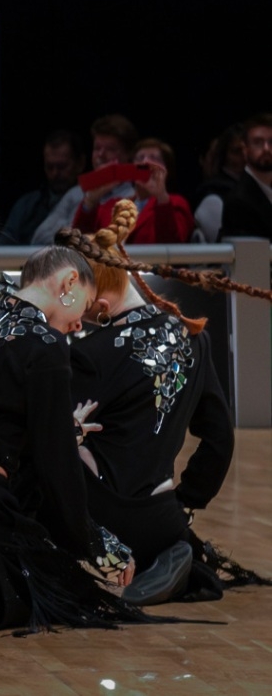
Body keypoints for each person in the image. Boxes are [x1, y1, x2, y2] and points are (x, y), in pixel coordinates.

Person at [0, 246, 143, 633]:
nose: (78, 325)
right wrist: (95, 542)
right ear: (68, 282)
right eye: (83, 308)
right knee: (56, 591)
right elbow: (56, 466)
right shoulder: (46, 345)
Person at [63, 202, 234, 604]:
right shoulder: (194, 338)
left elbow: (54, 440)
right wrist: (186, 502)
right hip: (163, 518)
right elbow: (220, 439)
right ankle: (172, 553)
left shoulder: (90, 353)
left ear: (99, 302)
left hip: (103, 520)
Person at [41, 113, 140, 246]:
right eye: (97, 148)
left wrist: (65, 231)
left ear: (128, 155)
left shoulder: (136, 195)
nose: (101, 155)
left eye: (110, 149)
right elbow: (39, 238)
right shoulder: (76, 193)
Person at [74, 138, 191, 243]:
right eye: (140, 158)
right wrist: (90, 200)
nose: (145, 162)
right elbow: (80, 242)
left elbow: (173, 244)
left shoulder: (175, 203)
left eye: (154, 158)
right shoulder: (113, 205)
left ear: (166, 169)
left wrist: (161, 197)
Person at [1, 130, 85, 244]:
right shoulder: (26, 205)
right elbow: (2, 245)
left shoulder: (90, 203)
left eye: (62, 166)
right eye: (50, 167)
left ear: (80, 164)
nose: (55, 173)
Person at [220, 113, 272, 240]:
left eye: (271, 142)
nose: (266, 148)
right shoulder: (238, 202)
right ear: (245, 149)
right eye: (258, 142)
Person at [193, 123, 245, 243]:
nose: (244, 157)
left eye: (247, 150)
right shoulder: (214, 196)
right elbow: (230, 246)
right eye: (236, 151)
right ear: (224, 156)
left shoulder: (258, 188)